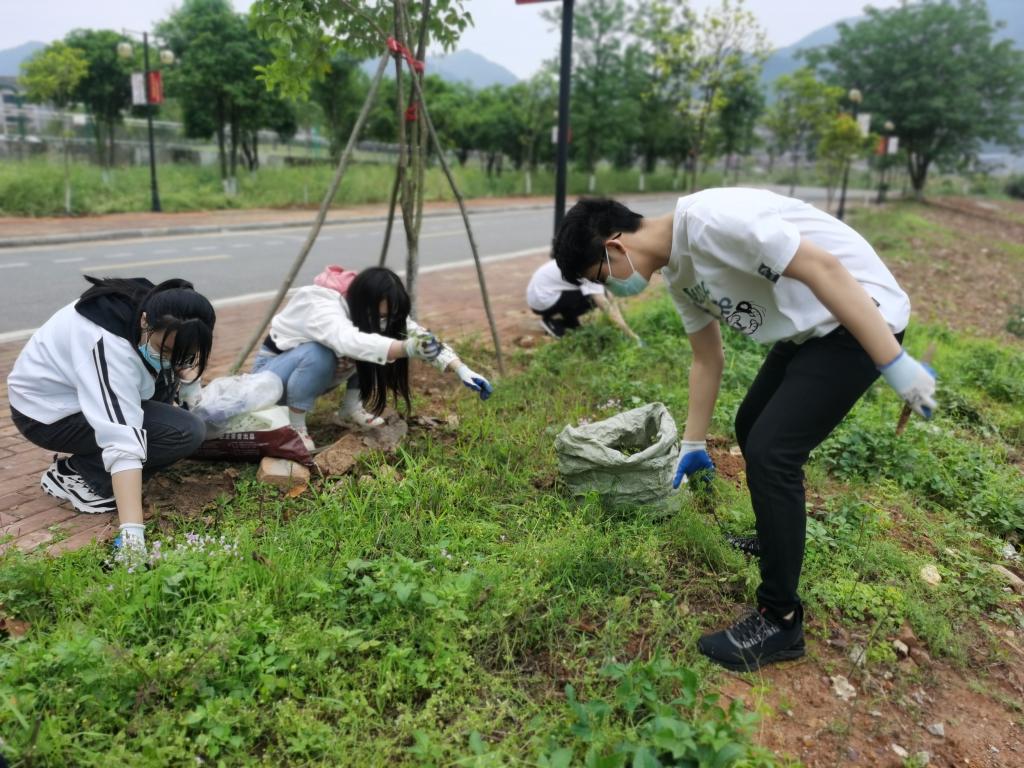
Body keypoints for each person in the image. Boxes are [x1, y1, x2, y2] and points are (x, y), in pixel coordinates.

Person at [552, 189, 937, 672]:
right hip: (808, 331)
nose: (611, 289)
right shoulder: (678, 272)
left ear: (615, 247)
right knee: (750, 425)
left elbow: (826, 270)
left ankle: (780, 620)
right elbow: (706, 358)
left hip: (858, 317)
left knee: (773, 453)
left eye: (600, 277)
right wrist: (692, 442)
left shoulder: (715, 221)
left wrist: (893, 363)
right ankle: (773, 537)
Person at [8, 277, 216, 552]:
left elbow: (182, 355)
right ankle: (80, 477)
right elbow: (122, 440)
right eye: (165, 350)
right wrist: (133, 534)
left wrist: (189, 382)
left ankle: (87, 468)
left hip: (77, 391)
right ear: (144, 321)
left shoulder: (160, 307)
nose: (170, 359)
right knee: (185, 432)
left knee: (166, 393)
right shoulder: (107, 344)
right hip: (45, 414)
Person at [253, 265, 493, 450]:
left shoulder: (368, 303)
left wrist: (460, 368)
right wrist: (406, 348)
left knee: (374, 341)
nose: (384, 321)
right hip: (272, 379)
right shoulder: (320, 302)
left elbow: (415, 333)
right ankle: (295, 426)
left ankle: (349, 410)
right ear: (364, 302)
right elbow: (346, 340)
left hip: (305, 375)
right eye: (381, 315)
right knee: (324, 352)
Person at [526, 258, 642, 343]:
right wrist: (631, 335)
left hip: (540, 294)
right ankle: (551, 322)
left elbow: (610, 297)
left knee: (597, 293)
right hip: (543, 300)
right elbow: (605, 305)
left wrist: (622, 321)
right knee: (594, 299)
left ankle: (570, 323)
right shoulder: (593, 270)